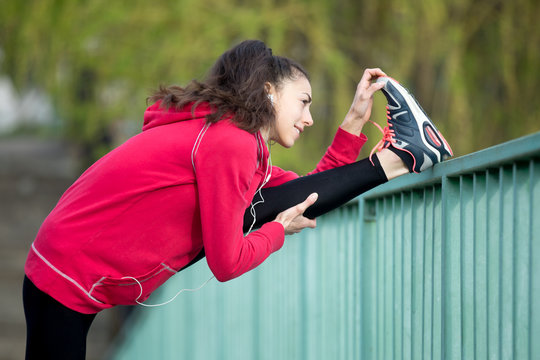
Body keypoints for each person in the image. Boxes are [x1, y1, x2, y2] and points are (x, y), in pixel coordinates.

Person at [22, 39, 452, 359]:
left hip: (69, 269)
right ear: (269, 92)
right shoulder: (230, 144)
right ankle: (404, 157)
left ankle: (405, 156)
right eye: (302, 102)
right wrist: (276, 232)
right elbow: (226, 263)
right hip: (65, 275)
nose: (308, 118)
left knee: (273, 203)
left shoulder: (234, 144)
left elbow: (304, 192)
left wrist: (355, 121)